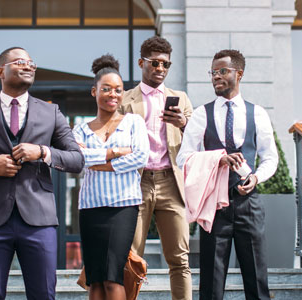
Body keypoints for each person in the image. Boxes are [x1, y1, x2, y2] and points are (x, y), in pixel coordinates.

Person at [0, 47, 84, 299]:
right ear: (1, 71)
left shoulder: (50, 112)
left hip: (39, 221)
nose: (28, 66)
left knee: (43, 294)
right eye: (20, 62)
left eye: (31, 63)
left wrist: (43, 151)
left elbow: (76, 160)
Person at [176, 49, 279, 300]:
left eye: (222, 71)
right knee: (211, 283)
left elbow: (270, 157)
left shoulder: (258, 113)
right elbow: (183, 158)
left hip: (249, 204)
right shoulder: (202, 113)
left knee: (257, 280)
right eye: (213, 72)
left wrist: (256, 178)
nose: (215, 77)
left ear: (239, 73)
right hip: (214, 205)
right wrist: (217, 159)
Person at [118, 36, 193, 300]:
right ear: (142, 62)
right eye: (155, 63)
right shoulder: (125, 100)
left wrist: (183, 123)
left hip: (171, 183)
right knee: (131, 256)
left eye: (166, 64)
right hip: (136, 183)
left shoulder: (180, 99)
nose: (160, 68)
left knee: (180, 258)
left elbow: (198, 140)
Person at [73, 55, 148, 300]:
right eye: (106, 89)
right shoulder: (80, 129)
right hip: (90, 208)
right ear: (94, 91)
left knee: (113, 276)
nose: (112, 94)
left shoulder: (134, 122)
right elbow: (79, 159)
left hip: (123, 207)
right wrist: (116, 153)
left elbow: (140, 157)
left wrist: (103, 164)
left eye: (118, 90)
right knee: (94, 279)